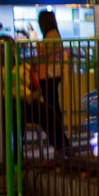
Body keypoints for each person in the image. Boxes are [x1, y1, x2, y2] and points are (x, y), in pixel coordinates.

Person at [0, 35, 68, 153]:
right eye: (0, 47)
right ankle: (15, 156)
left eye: (9, 46)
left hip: (26, 102)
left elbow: (37, 88)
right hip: (4, 105)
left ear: (14, 48)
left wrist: (31, 97)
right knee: (15, 114)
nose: (4, 50)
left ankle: (64, 151)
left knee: (47, 111)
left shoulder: (24, 67)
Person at [34, 10, 70, 152]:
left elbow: (46, 57)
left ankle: (60, 142)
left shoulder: (51, 36)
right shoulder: (53, 35)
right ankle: (60, 143)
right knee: (53, 105)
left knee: (51, 107)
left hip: (48, 76)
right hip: (49, 75)